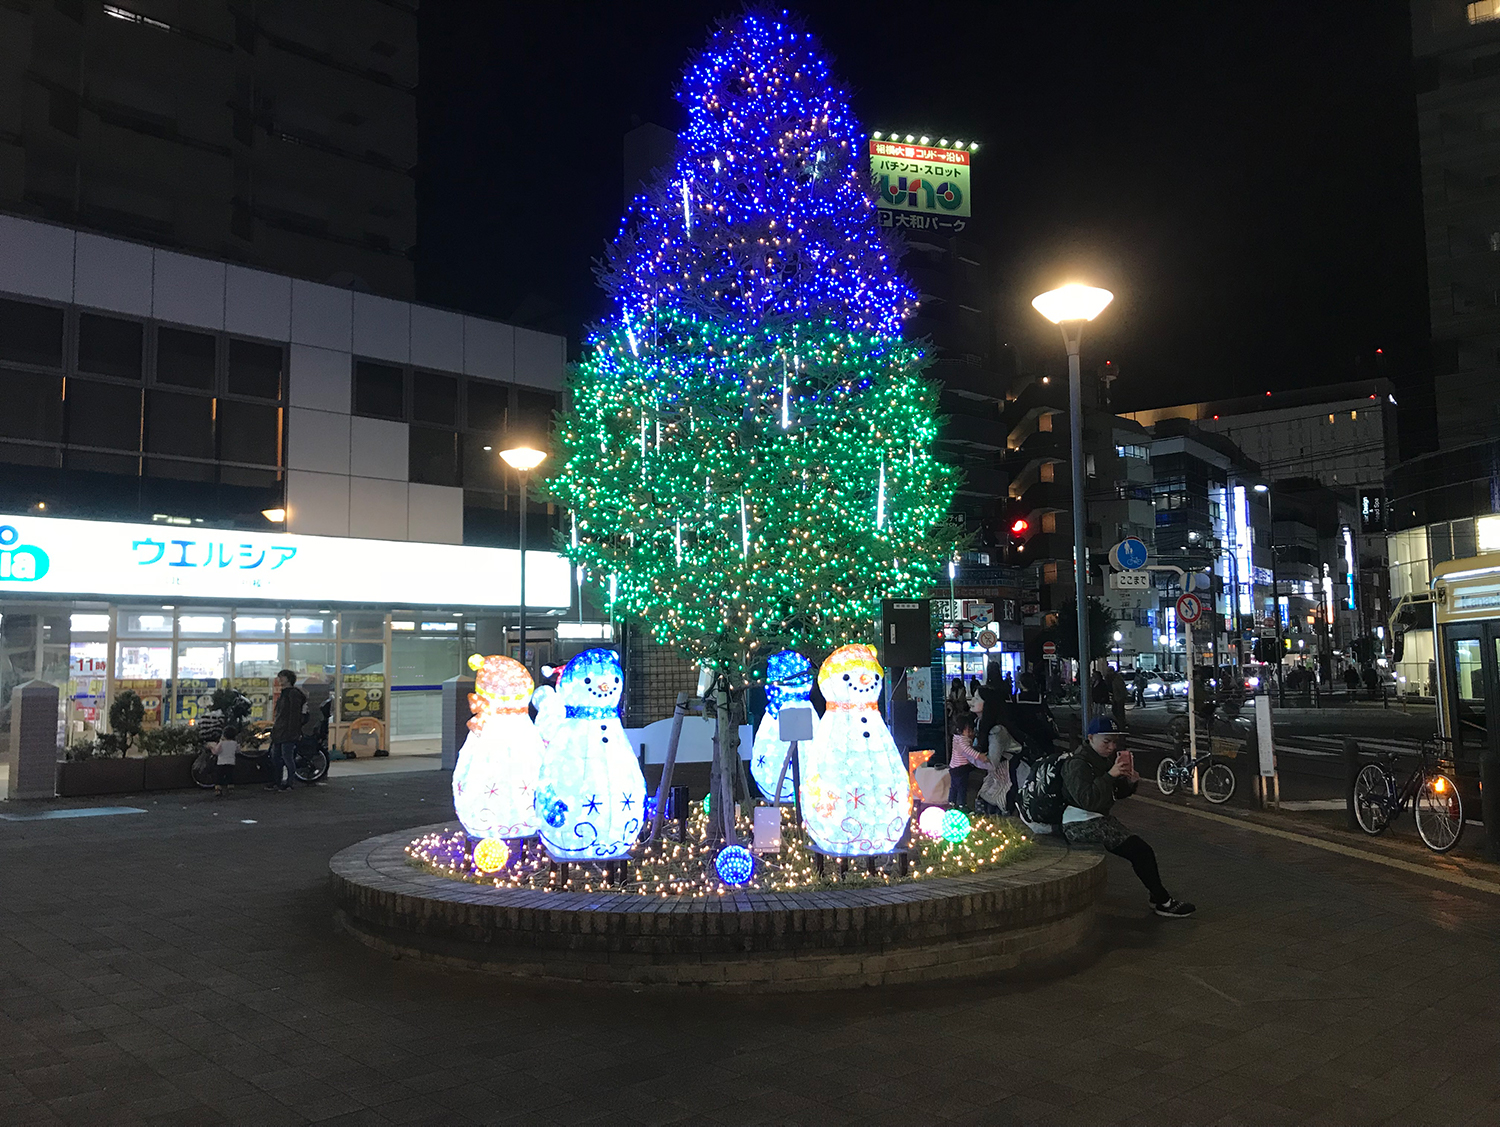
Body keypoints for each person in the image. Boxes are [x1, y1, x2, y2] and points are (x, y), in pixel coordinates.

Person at [1020, 717, 1195, 918]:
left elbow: (1115, 794)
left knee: (1141, 852)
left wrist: (1129, 782)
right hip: (1078, 822)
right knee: (1141, 851)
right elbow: (1088, 799)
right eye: (1106, 742)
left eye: (1114, 742)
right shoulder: (1077, 764)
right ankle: (1162, 901)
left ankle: (1159, 898)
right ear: (1091, 738)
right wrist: (1110, 775)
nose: (1111, 747)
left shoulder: (1102, 760)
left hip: (1094, 818)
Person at [267, 669, 307, 791]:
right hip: (282, 730)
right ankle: (280, 781)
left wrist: (292, 731)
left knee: (285, 757)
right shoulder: (287, 693)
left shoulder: (291, 694)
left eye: (282, 677)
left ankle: (288, 782)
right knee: (279, 757)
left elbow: (293, 715)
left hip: (286, 731)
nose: (279, 680)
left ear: (288, 679)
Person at [948, 713, 991, 810]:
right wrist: (979, 756)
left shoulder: (956, 738)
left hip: (953, 767)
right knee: (962, 787)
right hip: (961, 768)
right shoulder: (963, 740)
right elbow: (967, 749)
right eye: (968, 730)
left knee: (954, 786)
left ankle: (952, 802)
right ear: (961, 729)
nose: (970, 732)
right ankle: (962, 805)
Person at [212, 725, 238, 797]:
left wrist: (212, 748)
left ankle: (218, 790)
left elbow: (216, 751)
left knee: (219, 777)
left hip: (221, 763)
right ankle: (230, 789)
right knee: (230, 776)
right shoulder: (234, 743)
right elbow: (238, 750)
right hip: (231, 762)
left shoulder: (222, 743)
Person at [1108, 666, 1129, 731]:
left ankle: (1121, 724)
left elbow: (1121, 689)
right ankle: (1121, 723)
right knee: (1116, 711)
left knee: (1119, 711)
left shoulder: (1117, 678)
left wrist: (1122, 697)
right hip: (1117, 697)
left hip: (1119, 698)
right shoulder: (1114, 678)